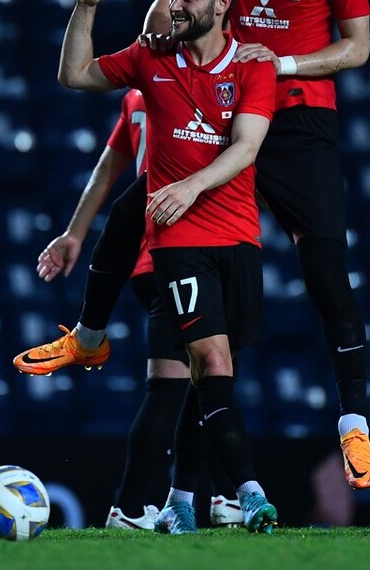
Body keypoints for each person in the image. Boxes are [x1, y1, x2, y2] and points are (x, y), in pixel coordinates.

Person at [141, 0, 370, 490]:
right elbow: (165, 8)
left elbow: (357, 47)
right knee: (205, 307)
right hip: (225, 116)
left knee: (327, 270)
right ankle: (185, 489)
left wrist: (286, 60)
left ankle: (353, 421)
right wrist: (158, 24)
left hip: (300, 120)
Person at [59, 0, 277, 535]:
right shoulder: (150, 61)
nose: (174, 5)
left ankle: (178, 501)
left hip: (238, 241)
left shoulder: (254, 66)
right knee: (207, 361)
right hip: (175, 242)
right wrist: (85, 9)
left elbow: (248, 147)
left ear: (222, 4)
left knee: (201, 381)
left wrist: (194, 183)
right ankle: (246, 494)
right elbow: (74, 75)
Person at [21, 91, 245, 529]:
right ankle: (144, 504)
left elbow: (109, 168)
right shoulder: (193, 84)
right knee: (187, 378)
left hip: (150, 252)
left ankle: (200, 496)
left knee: (192, 377)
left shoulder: (139, 94)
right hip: (182, 245)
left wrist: (75, 233)